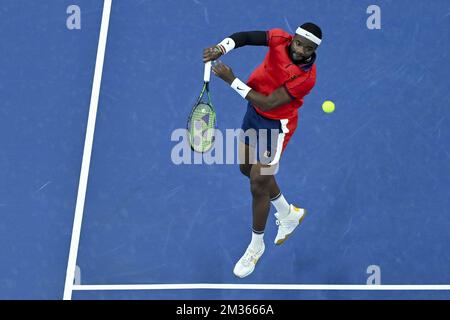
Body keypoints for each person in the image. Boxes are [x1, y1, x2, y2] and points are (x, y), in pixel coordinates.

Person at [202, 23, 323, 278]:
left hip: (277, 126)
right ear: (295, 38)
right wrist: (221, 47)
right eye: (298, 43)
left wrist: (231, 80)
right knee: (246, 168)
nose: (300, 50)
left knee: (259, 182)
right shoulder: (280, 38)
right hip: (253, 113)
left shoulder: (306, 77)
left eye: (307, 48)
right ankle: (287, 214)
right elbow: (244, 36)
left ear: (314, 51)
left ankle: (256, 246)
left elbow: (269, 102)